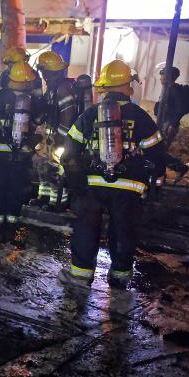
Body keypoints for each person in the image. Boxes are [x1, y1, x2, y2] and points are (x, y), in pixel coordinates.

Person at [59, 60, 166, 290]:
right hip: (129, 188)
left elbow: (69, 152)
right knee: (124, 231)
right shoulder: (142, 118)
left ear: (104, 88)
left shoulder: (89, 116)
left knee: (86, 229)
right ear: (129, 87)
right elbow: (157, 154)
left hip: (92, 185)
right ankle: (119, 278)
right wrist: (154, 187)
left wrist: (77, 186)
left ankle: (80, 276)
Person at [0, 61, 46, 243]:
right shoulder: (30, 102)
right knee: (15, 190)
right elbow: (39, 123)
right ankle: (11, 229)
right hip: (20, 156)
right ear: (27, 82)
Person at [33, 51, 77, 211]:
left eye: (45, 72)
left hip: (60, 139)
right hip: (49, 136)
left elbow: (68, 115)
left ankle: (58, 202)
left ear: (53, 72)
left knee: (55, 171)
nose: (43, 75)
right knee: (42, 167)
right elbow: (46, 111)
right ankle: (43, 196)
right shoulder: (52, 88)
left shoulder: (64, 88)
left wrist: (61, 138)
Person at [154, 66, 189, 181]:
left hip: (168, 124)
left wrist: (172, 125)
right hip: (167, 123)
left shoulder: (172, 90)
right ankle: (173, 169)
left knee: (159, 151)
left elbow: (179, 109)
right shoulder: (170, 89)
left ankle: (179, 168)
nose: (160, 78)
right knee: (160, 150)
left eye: (162, 75)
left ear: (167, 77)